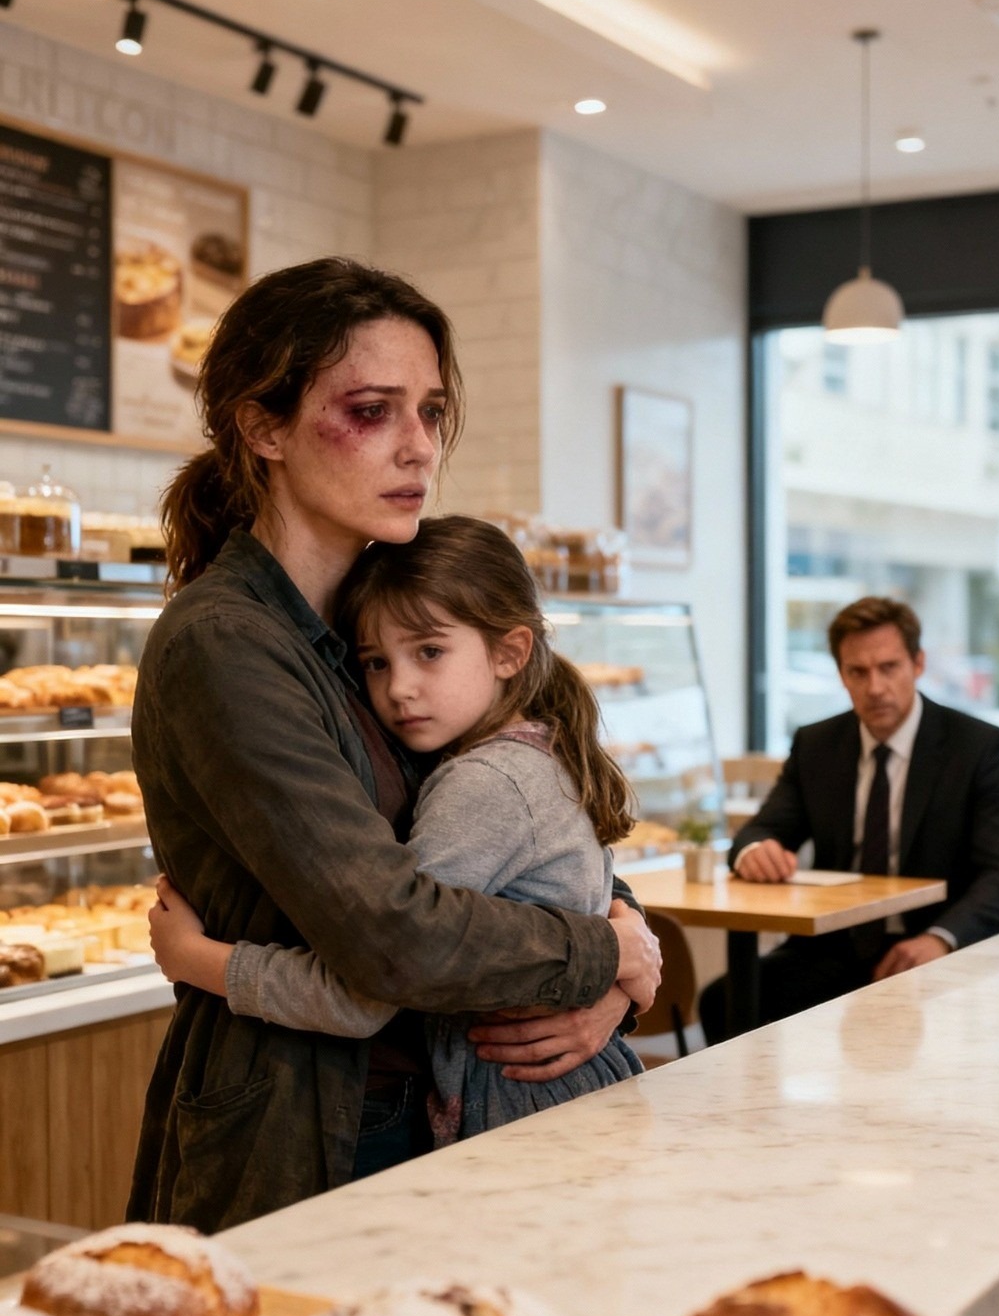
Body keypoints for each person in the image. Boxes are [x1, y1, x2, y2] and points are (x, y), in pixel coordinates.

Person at [129, 257, 660, 1231]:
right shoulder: (228, 643)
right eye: (374, 411)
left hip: (448, 1106)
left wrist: (621, 944)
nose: (418, 447)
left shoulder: (380, 616)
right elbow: (395, 932)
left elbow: (513, 812)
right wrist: (600, 949)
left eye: (432, 412)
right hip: (313, 1125)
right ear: (263, 426)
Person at [148, 515, 644, 1147]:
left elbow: (370, 990)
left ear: (509, 653)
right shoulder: (529, 752)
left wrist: (198, 961)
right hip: (549, 1091)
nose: (399, 689)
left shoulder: (485, 785)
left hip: (523, 1102)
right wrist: (617, 950)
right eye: (375, 663)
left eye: (429, 652)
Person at [700, 597, 999, 1041]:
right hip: (837, 945)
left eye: (889, 667)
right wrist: (758, 851)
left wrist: (940, 938)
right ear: (842, 676)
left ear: (917, 664)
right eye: (858, 672)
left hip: (938, 942)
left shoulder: (980, 748)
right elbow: (762, 830)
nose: (875, 687)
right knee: (724, 1000)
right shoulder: (817, 745)